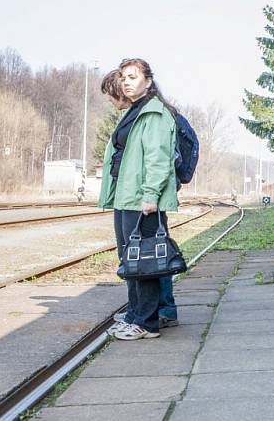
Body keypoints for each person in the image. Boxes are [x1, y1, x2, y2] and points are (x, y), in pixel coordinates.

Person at [98, 59, 180, 340]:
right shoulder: (135, 111)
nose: (126, 82)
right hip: (126, 197)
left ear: (148, 80)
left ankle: (147, 323)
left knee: (143, 262)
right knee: (130, 260)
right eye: (123, 77)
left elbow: (158, 159)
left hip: (141, 200)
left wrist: (151, 195)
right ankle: (135, 314)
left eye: (133, 76)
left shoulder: (154, 113)